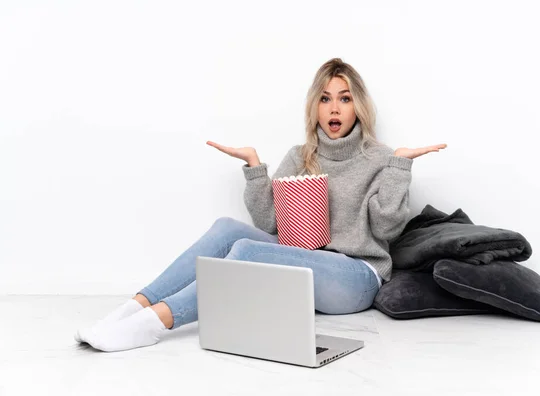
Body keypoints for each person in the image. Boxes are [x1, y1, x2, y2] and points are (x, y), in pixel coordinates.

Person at [74, 58, 447, 352]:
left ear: (358, 106)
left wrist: (400, 167)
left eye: (345, 98)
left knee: (245, 251)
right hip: (303, 266)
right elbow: (272, 223)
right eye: (325, 98)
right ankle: (132, 309)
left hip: (356, 277)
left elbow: (386, 230)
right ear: (314, 107)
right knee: (227, 230)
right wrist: (255, 168)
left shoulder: (379, 158)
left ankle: (153, 324)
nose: (335, 109)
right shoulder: (302, 156)